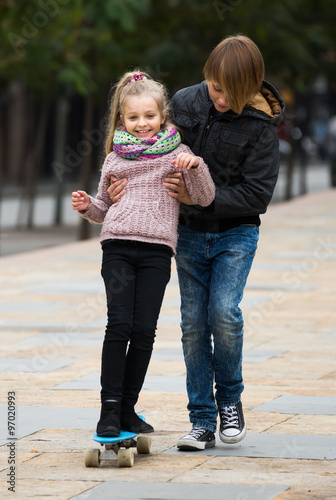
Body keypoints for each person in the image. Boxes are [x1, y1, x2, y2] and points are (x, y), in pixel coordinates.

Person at [108, 36, 285, 451]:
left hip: (236, 233)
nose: (220, 97)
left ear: (252, 86)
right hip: (186, 232)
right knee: (193, 326)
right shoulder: (186, 103)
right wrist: (121, 190)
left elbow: (256, 194)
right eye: (214, 86)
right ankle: (202, 420)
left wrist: (199, 196)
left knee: (223, 313)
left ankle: (230, 401)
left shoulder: (261, 126)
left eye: (230, 91)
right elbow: (147, 150)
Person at [71, 70, 215, 438]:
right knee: (119, 325)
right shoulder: (115, 159)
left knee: (145, 330)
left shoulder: (179, 154)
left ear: (162, 117)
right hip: (117, 246)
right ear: (122, 119)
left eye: (149, 116)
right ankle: (109, 411)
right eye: (133, 117)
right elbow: (103, 208)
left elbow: (204, 197)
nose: (141, 124)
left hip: (156, 252)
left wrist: (195, 167)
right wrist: (89, 205)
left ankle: (129, 409)